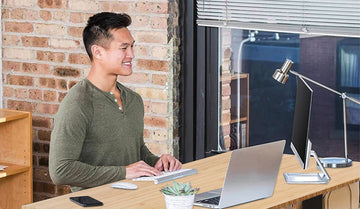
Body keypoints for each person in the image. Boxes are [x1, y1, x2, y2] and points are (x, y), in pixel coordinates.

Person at [49, 12, 181, 192]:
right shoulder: (77, 103)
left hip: (135, 198)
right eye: (124, 48)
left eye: (132, 47)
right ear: (98, 52)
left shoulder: (133, 100)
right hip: (98, 202)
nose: (131, 55)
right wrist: (123, 172)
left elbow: (136, 152)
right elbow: (60, 171)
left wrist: (157, 162)